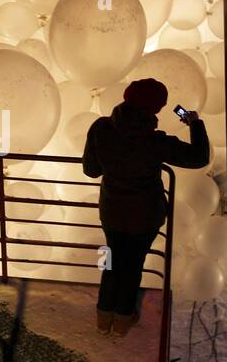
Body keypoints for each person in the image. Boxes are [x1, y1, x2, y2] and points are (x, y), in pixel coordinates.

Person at [83, 78, 210, 335]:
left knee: (111, 263)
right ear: (157, 108)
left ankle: (103, 317)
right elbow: (199, 158)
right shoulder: (156, 142)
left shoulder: (101, 128)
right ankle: (122, 321)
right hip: (145, 217)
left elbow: (91, 170)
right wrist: (194, 122)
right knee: (132, 266)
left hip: (112, 213)